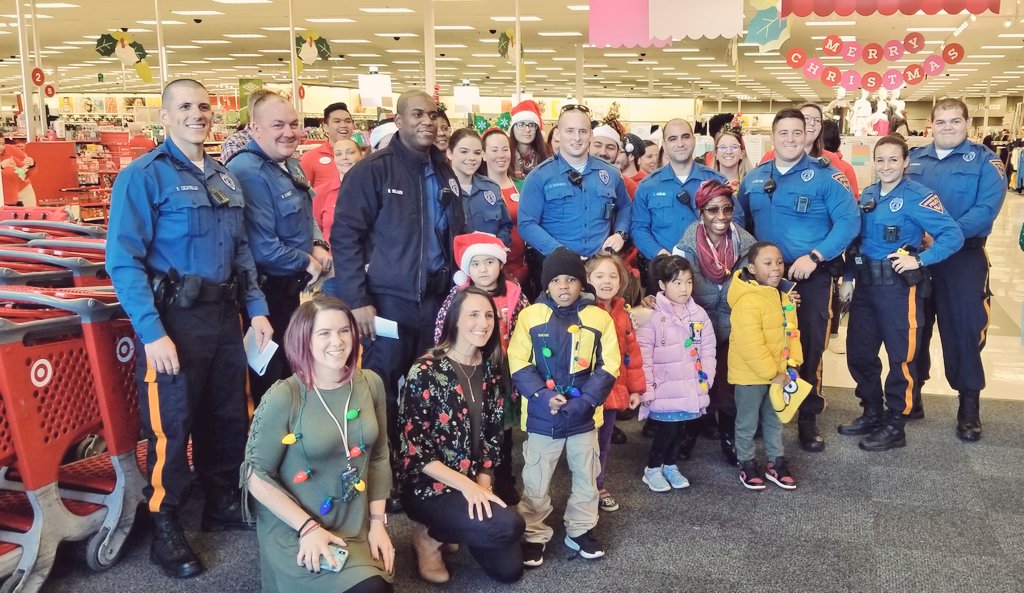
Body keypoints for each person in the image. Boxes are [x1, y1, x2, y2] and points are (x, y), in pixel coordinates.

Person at [105, 78, 273, 578]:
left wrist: (258, 308)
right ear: (165, 116)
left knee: (227, 415)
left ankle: (222, 501)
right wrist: (152, 332)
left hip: (225, 317)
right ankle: (165, 522)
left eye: (203, 106)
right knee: (171, 423)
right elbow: (123, 260)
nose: (196, 114)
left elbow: (242, 252)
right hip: (173, 320)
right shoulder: (143, 177)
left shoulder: (224, 177)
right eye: (184, 107)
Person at [326, 89, 466, 496]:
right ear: (399, 119)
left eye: (433, 114)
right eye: (417, 114)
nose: (427, 121)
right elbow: (346, 237)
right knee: (381, 390)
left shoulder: (443, 170)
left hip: (437, 300)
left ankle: (423, 470)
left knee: (428, 387)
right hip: (387, 302)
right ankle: (381, 480)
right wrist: (357, 301)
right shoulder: (373, 171)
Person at [242, 297, 394, 593]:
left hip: (354, 516)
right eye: (324, 333)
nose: (337, 341)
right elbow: (254, 475)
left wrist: (378, 522)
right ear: (303, 340)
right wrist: (307, 528)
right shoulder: (284, 396)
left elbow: (378, 456)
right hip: (296, 523)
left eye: (344, 331)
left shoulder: (370, 383)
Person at [736, 108, 859, 453]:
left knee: (809, 349)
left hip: (810, 276)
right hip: (765, 283)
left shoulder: (827, 177)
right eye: (783, 133)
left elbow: (849, 223)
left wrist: (816, 256)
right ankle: (764, 414)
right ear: (772, 138)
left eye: (796, 132)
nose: (790, 139)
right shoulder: (755, 179)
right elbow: (740, 223)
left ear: (807, 136)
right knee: (764, 347)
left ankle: (808, 418)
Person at [837, 135, 964, 451]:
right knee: (860, 352)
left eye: (893, 159)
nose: (886, 166)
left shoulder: (918, 196)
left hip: (898, 290)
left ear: (906, 162)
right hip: (865, 288)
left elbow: (952, 235)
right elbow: (855, 242)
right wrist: (849, 278)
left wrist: (919, 259)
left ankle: (895, 422)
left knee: (901, 358)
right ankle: (871, 410)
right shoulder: (868, 195)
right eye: (880, 160)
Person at [399, 287, 526, 584]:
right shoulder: (426, 370)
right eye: (473, 314)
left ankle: (454, 528)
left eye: (488, 315)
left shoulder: (492, 369)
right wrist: (470, 490)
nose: (483, 322)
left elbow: (494, 440)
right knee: (509, 525)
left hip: (472, 479)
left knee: (509, 571)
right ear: (455, 320)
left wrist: (483, 483)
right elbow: (414, 451)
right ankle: (429, 537)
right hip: (430, 485)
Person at [508, 247, 620, 566]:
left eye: (571, 279)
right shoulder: (531, 317)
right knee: (536, 480)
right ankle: (533, 532)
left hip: (585, 417)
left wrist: (586, 400)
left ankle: (581, 528)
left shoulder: (599, 318)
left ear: (581, 284)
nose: (564, 286)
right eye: (556, 280)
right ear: (546, 286)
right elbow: (518, 361)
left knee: (587, 475)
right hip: (543, 417)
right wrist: (542, 397)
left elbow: (609, 364)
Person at [905, 98, 1006, 440]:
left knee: (963, 330)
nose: (948, 127)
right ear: (930, 124)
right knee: (913, 328)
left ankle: (968, 407)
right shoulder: (914, 159)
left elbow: (986, 209)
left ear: (967, 124)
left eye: (955, 121)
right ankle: (911, 398)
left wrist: (946, 238)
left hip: (962, 258)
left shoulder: (986, 162)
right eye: (941, 121)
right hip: (918, 257)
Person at [227, 90, 332, 406]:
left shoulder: (291, 164)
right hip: (265, 297)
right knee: (271, 383)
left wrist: (317, 244)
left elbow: (306, 210)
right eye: (278, 125)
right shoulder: (248, 170)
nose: (289, 133)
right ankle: (271, 449)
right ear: (255, 129)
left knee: (293, 372)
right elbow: (262, 248)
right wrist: (305, 262)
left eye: (294, 124)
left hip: (292, 292)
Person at [433, 232, 530, 506]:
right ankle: (467, 477)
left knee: (502, 429)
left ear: (501, 264)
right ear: (467, 269)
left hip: (503, 371)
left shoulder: (514, 295)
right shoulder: (458, 296)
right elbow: (442, 328)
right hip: (468, 370)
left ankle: (504, 478)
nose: (483, 269)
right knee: (470, 425)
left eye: (489, 262)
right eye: (476, 264)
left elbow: (527, 328)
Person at [673, 180, 758, 465]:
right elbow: (675, 288)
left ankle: (728, 437)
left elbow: (759, 284)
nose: (720, 217)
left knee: (729, 385)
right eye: (712, 210)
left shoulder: (746, 246)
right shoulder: (686, 247)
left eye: (727, 209)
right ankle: (690, 432)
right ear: (701, 212)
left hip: (734, 327)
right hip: (697, 328)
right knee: (697, 382)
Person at [518, 105, 632, 291]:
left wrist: (620, 234)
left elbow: (626, 206)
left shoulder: (610, 173)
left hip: (599, 270)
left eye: (583, 131)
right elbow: (527, 224)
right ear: (558, 134)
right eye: (570, 131)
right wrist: (561, 253)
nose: (577, 138)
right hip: (557, 271)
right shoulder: (539, 176)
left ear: (590, 135)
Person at [634, 255, 715, 492]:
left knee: (682, 429)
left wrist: (706, 379)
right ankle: (652, 468)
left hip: (691, 386)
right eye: (677, 282)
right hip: (664, 389)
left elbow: (708, 349)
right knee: (666, 431)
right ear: (662, 285)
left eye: (688, 282)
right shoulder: (650, 315)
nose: (684, 288)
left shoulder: (698, 313)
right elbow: (644, 357)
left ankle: (670, 465)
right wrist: (646, 388)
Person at [631, 118, 739, 293]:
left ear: (694, 140)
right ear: (664, 145)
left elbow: (736, 221)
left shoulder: (715, 180)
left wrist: (715, 254)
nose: (680, 143)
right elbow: (638, 227)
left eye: (685, 137)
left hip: (710, 275)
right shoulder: (648, 185)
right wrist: (661, 255)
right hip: (665, 275)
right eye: (673, 139)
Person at [727, 241, 801, 491]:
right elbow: (751, 345)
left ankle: (776, 462)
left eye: (779, 262)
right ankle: (746, 463)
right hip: (751, 376)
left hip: (779, 373)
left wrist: (793, 365)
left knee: (774, 420)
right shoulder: (747, 301)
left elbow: (792, 333)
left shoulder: (783, 296)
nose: (776, 268)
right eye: (767, 263)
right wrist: (774, 373)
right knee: (747, 423)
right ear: (752, 268)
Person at [584, 254, 644, 512]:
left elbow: (631, 355)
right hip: (588, 392)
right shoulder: (584, 311)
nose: (607, 281)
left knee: (604, 442)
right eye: (599, 276)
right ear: (587, 280)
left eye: (613, 276)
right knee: (585, 444)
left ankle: (598, 484)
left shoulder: (622, 312)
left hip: (613, 390)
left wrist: (635, 388)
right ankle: (584, 487)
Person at [760, 104, 860, 198]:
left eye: (817, 120)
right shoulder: (770, 157)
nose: (812, 123)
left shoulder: (831, 160)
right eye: (806, 118)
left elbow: (847, 202)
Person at [480, 127, 528, 286]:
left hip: (523, 268)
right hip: (490, 272)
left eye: (505, 149)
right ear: (484, 155)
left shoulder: (524, 186)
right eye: (494, 150)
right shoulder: (477, 190)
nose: (501, 155)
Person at [447, 128, 513, 246]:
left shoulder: (491, 188)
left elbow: (505, 225)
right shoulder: (440, 188)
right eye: (464, 152)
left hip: (489, 260)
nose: (472, 157)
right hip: (453, 263)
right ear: (450, 153)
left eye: (477, 153)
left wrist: (496, 245)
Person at [312, 138, 363, 243]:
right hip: (332, 257)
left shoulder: (374, 189)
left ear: (361, 156)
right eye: (338, 154)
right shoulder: (320, 193)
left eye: (350, 152)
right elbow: (314, 233)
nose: (344, 158)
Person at [300, 102, 356, 187]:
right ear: (325, 127)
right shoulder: (309, 158)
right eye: (337, 121)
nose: (343, 125)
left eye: (348, 121)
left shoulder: (361, 157)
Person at [590, 124, 639, 197]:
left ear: (618, 152)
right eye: (597, 145)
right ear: (588, 146)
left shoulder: (625, 183)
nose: (603, 152)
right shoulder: (574, 175)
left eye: (610, 148)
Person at [508, 99, 551, 180]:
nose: (527, 129)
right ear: (512, 128)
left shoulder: (546, 152)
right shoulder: (506, 153)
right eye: (521, 124)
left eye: (531, 125)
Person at [0, 130, 36, 206]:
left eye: (3, 143)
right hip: (4, 198)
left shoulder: (12, 150)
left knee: (31, 215)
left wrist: (31, 164)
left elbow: (27, 172)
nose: (2, 147)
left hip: (23, 192)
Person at [713, 124, 750, 192]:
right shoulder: (707, 184)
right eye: (723, 147)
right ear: (716, 154)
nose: (728, 152)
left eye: (734, 147)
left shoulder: (750, 183)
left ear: (742, 153)